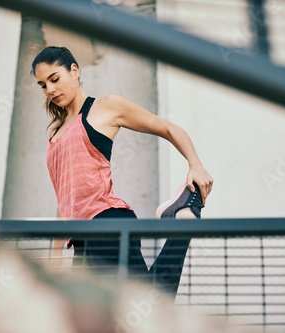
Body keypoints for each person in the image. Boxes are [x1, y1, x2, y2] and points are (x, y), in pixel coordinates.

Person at [30, 46, 213, 300]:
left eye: (54, 79)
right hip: (81, 242)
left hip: (109, 225)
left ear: (74, 71)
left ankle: (181, 224)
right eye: (42, 85)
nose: (49, 89)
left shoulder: (105, 107)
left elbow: (167, 128)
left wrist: (196, 164)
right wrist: (56, 254)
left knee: (143, 307)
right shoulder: (54, 133)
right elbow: (66, 198)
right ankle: (179, 220)